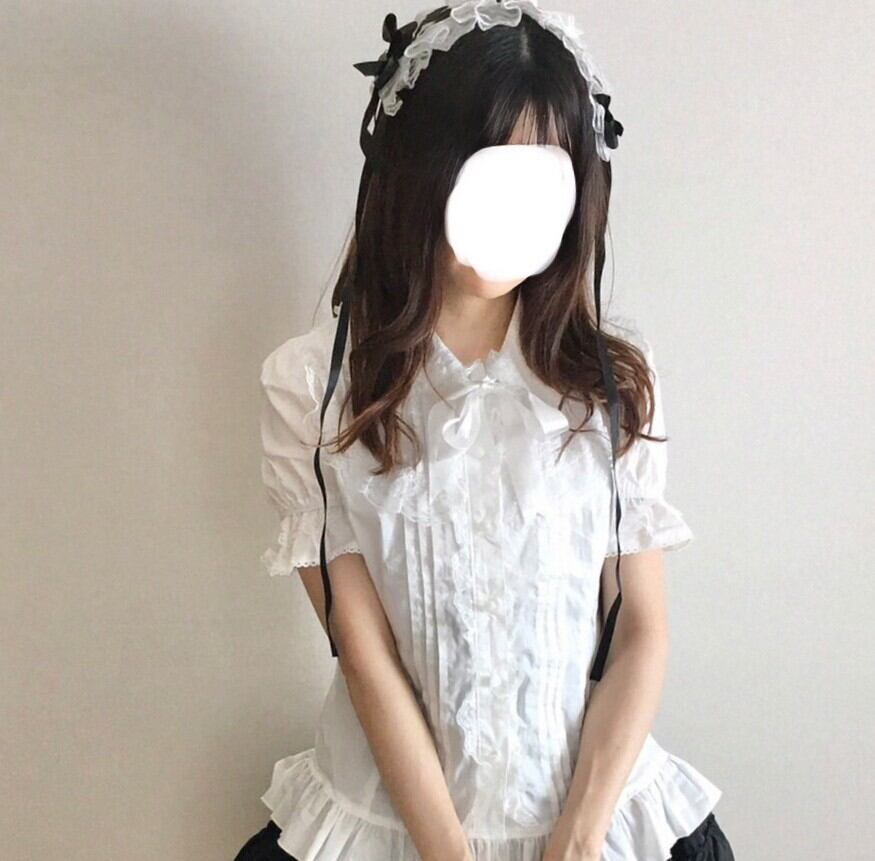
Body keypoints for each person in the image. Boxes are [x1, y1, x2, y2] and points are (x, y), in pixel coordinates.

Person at [236, 2, 735, 859]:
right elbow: (363, 653)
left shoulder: (612, 383)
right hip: (389, 826)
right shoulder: (312, 387)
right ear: (417, 169)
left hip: (598, 820)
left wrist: (576, 838)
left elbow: (640, 630)